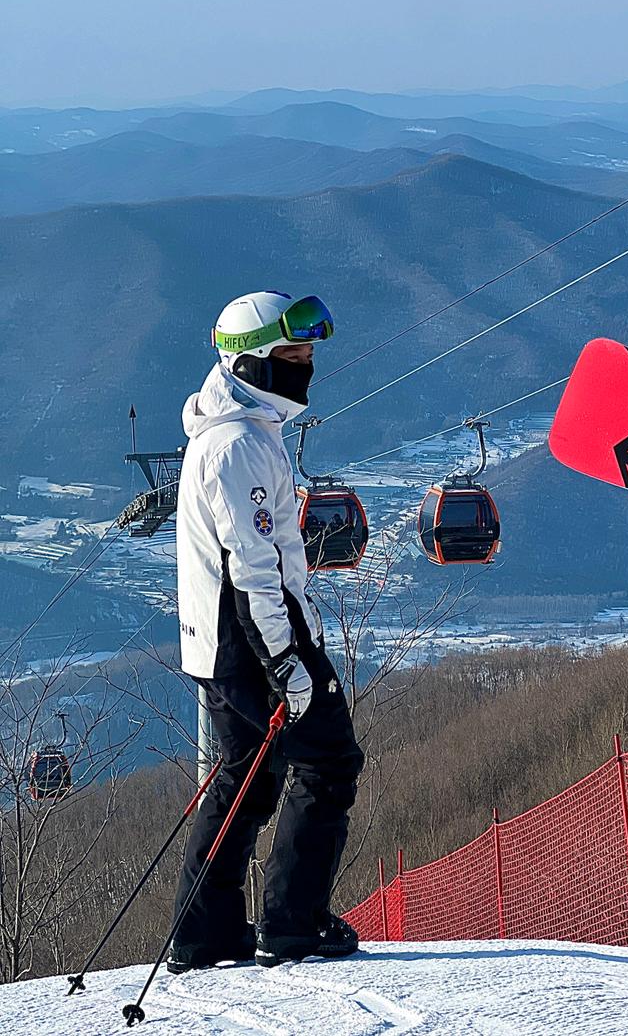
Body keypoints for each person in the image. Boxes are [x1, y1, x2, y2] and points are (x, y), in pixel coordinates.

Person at [169, 290, 364, 972]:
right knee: (328, 761)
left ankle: (206, 931)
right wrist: (289, 662)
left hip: (226, 638)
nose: (306, 367)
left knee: (247, 776)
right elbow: (254, 572)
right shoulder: (239, 447)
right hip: (253, 637)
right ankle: (292, 924)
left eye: (309, 354)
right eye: (293, 355)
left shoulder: (242, 432)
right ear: (251, 364)